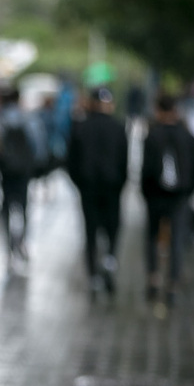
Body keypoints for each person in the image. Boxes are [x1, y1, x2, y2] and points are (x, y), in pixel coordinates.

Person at [140, 93, 194, 311]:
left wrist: (145, 194)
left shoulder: (152, 135)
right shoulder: (187, 136)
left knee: (152, 238)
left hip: (155, 195)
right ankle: (173, 285)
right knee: (176, 242)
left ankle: (153, 279)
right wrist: (188, 191)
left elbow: (145, 170)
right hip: (179, 197)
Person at [67, 87, 128, 296]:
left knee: (90, 232)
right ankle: (109, 261)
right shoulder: (119, 127)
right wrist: (120, 184)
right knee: (112, 229)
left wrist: (81, 183)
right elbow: (124, 162)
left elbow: (71, 162)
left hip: (89, 186)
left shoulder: (81, 127)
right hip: (112, 187)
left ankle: (93, 275)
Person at [0, 87, 48, 272]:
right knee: (24, 205)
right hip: (24, 169)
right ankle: (22, 241)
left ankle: (8, 245)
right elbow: (38, 142)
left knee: (6, 207)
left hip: (6, 169)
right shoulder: (28, 117)